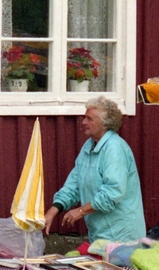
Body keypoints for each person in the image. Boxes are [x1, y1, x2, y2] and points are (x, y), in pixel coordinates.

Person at [43, 95, 146, 243]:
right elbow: (74, 184)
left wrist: (80, 212)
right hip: (101, 235)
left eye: (89, 119)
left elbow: (112, 193)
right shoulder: (89, 146)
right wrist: (52, 211)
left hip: (122, 237)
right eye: (85, 117)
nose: (83, 122)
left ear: (105, 123)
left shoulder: (115, 148)